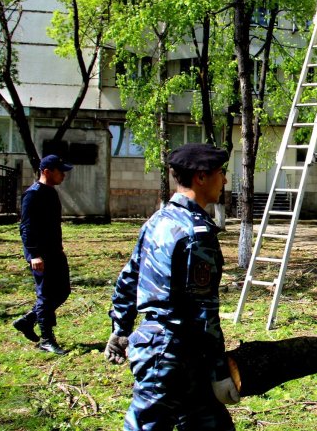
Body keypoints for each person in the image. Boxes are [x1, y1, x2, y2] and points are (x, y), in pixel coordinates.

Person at [103, 143, 239, 431]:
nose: (224, 181)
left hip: (173, 353)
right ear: (201, 177)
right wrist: (218, 372)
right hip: (173, 357)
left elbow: (128, 279)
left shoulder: (157, 221)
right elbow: (204, 313)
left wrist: (120, 330)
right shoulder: (196, 233)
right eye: (220, 173)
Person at [14, 154, 74, 355]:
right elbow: (26, 228)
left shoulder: (51, 192)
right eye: (60, 171)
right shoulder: (33, 194)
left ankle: (28, 320)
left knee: (63, 291)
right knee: (46, 295)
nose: (63, 175)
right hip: (40, 254)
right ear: (47, 172)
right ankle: (47, 339)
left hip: (55, 251)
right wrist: (34, 255)